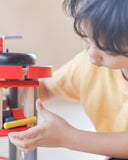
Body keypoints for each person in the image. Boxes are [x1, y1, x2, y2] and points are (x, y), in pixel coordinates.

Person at [8, 0, 128, 159]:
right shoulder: (86, 66)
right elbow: (46, 88)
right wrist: (6, 101)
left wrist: (68, 137)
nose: (92, 53)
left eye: (107, 50)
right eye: (86, 38)